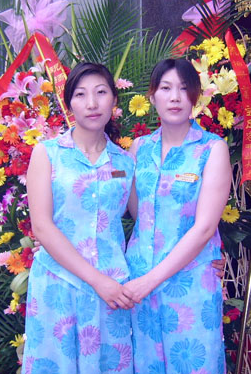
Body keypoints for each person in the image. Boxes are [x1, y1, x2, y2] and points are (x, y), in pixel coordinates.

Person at [23, 62, 135, 373]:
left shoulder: (126, 162)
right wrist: (98, 281)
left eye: (101, 93)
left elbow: (150, 220)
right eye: (81, 94)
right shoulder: (47, 154)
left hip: (113, 291)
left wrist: (206, 254)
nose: (92, 103)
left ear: (114, 100)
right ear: (69, 103)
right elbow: (42, 227)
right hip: (59, 286)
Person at [125, 58, 232, 373]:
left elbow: (205, 228)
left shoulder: (212, 149)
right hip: (138, 282)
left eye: (184, 89)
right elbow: (138, 214)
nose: (175, 97)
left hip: (190, 283)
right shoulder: (138, 149)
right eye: (166, 88)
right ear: (152, 95)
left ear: (196, 96)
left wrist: (150, 281)